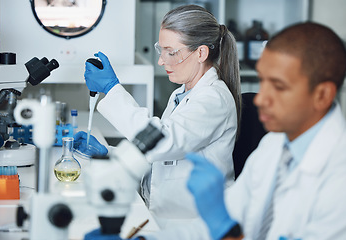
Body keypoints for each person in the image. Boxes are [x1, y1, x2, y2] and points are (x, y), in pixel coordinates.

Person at [183, 22, 346, 240]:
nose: (260, 99)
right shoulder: (274, 144)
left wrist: (223, 228)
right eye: (262, 81)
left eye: (279, 86)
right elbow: (229, 214)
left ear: (322, 95)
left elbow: (223, 223)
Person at [76, 4, 241, 231]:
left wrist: (112, 89)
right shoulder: (182, 94)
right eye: (160, 50)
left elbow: (162, 143)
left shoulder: (214, 99)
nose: (162, 61)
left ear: (201, 53)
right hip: (162, 215)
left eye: (171, 52)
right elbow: (161, 160)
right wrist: (111, 154)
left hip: (193, 224)